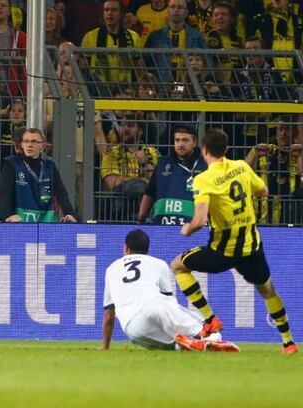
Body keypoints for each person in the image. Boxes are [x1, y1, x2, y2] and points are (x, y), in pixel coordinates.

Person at [170, 128, 297, 354]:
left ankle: (210, 319)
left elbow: (199, 220)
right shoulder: (241, 166)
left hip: (222, 251)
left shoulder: (204, 179)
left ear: (204, 150)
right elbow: (264, 191)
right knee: (268, 290)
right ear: (226, 149)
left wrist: (186, 229)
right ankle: (288, 343)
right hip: (251, 247)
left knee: (178, 266)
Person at [102, 229, 240, 352]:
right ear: (147, 249)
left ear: (126, 248)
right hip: (154, 305)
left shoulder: (111, 269)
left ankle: (194, 345)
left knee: (173, 346)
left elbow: (109, 315)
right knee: (193, 322)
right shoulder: (158, 263)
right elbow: (168, 303)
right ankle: (212, 337)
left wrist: (105, 348)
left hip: (131, 326)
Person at [0, 128, 76, 223]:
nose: (29, 145)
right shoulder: (11, 163)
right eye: (26, 141)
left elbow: (61, 192)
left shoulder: (49, 165)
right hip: (20, 221)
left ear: (42, 145)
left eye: (34, 141)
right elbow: (4, 193)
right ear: (22, 144)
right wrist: (8, 215)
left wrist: (69, 213)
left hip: (46, 221)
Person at [137, 124, 207, 225]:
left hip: (195, 229)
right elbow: (149, 193)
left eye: (185, 140)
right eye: (177, 140)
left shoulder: (205, 165)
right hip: (163, 228)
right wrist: (140, 219)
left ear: (194, 142)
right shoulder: (162, 163)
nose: (180, 144)